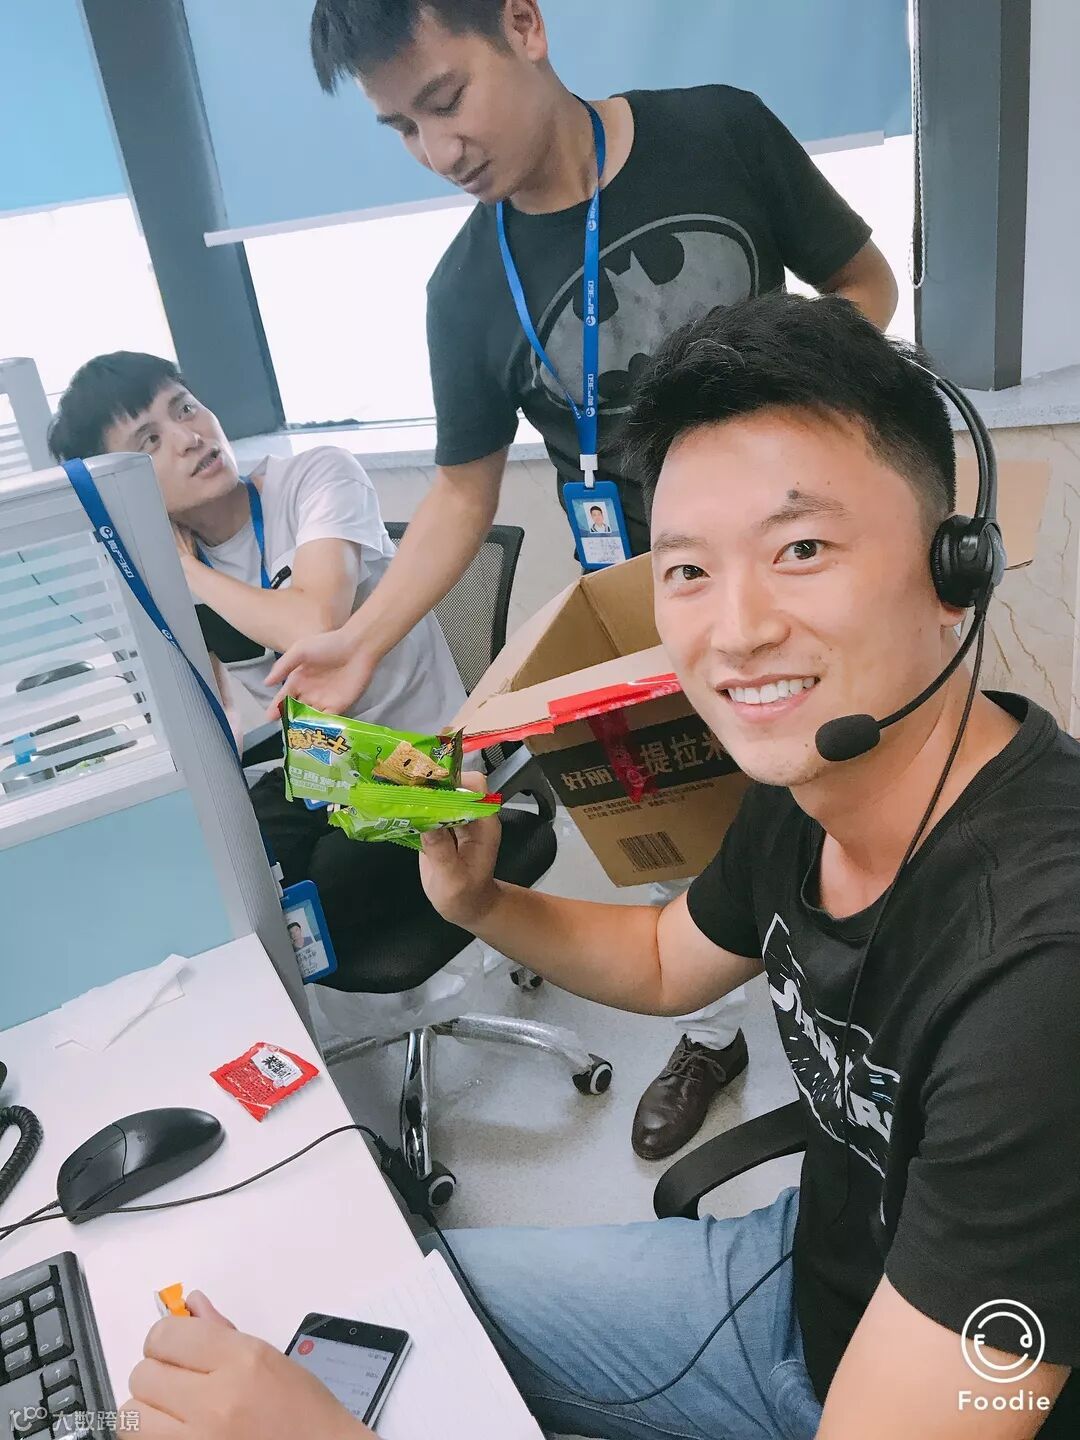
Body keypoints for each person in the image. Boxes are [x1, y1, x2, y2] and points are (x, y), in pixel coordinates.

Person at [116, 294, 1080, 1439]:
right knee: (374, 1312)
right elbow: (670, 958)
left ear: (954, 568)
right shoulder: (818, 777)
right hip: (806, 1274)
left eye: (801, 549)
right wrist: (482, 899)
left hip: (898, 1380)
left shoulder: (1042, 976)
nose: (737, 631)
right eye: (688, 571)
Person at [268, 0, 901, 1159]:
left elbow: (866, 285)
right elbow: (461, 494)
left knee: (854, 791)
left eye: (445, 101)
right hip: (644, 601)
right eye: (401, 129)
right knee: (676, 829)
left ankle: (889, 1020)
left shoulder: (719, 133)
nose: (438, 151)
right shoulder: (465, 290)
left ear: (522, 24)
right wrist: (362, 636)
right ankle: (709, 1035)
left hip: (807, 561)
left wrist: (797, 418)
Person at [47, 353, 469, 985]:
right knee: (216, 889)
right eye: (150, 441)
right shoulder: (159, 567)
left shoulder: (316, 477)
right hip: (320, 768)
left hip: (422, 761)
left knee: (307, 900)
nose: (189, 438)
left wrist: (186, 572)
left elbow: (315, 625)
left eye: (185, 408)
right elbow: (209, 715)